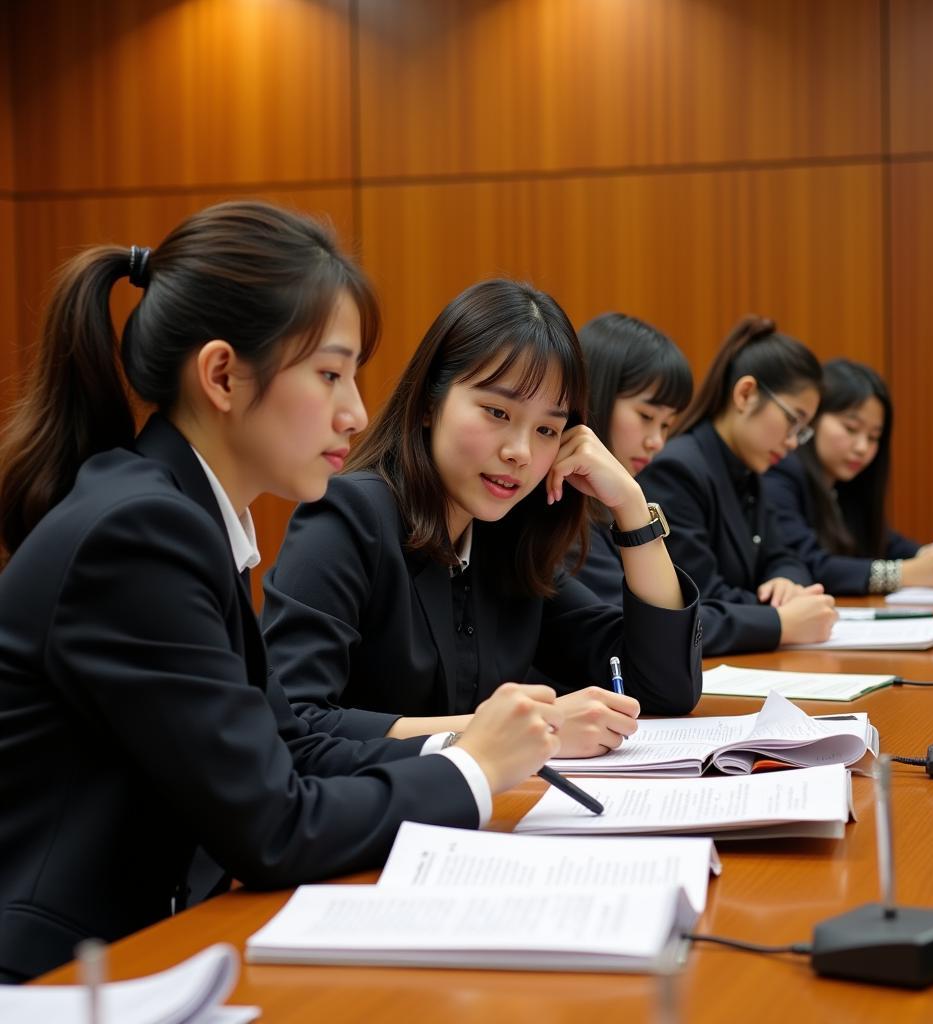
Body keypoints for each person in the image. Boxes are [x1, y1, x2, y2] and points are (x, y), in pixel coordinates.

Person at [0, 203, 563, 982]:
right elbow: (273, 826)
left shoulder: (178, 512)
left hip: (150, 949)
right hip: (64, 974)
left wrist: (467, 747)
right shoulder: (142, 535)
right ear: (224, 375)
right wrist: (471, 769)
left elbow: (286, 747)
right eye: (330, 373)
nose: (357, 411)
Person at [261, 279, 702, 756]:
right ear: (431, 402)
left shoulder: (504, 540)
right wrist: (517, 733)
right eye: (496, 411)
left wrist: (632, 509)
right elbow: (295, 723)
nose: (520, 451)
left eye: (547, 429)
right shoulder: (348, 517)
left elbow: (661, 687)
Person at [639, 315, 838, 655]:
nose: (793, 442)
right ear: (745, 394)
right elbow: (701, 593)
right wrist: (783, 616)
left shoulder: (749, 470)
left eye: (801, 431)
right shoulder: (677, 469)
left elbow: (784, 556)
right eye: (793, 421)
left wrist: (787, 584)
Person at [762, 358, 933, 594]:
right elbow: (807, 565)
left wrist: (926, 555)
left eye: (873, 437)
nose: (862, 447)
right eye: (851, 428)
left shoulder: (846, 484)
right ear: (813, 418)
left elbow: (883, 540)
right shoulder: (780, 473)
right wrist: (903, 573)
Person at [571, 312, 693, 604]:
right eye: (646, 416)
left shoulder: (614, 494)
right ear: (596, 395)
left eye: (666, 425)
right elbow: (641, 623)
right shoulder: (558, 506)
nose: (657, 442)